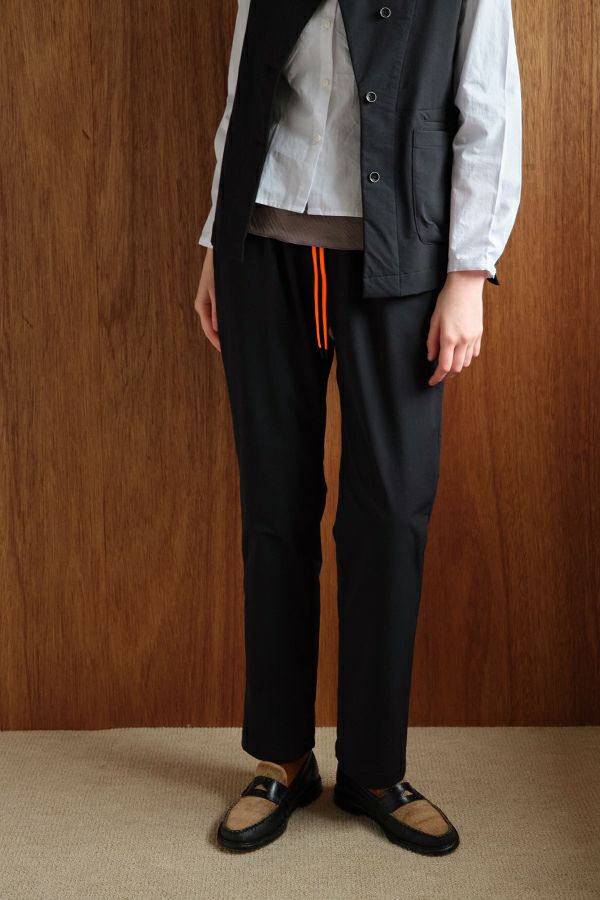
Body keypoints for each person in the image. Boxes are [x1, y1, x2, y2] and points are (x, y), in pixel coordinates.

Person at [195, 0, 522, 855]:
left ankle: (374, 770)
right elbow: (245, 85)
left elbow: (490, 107)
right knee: (274, 508)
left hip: (402, 254)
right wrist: (215, 242)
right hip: (264, 243)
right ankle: (280, 758)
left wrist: (469, 272)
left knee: (390, 512)